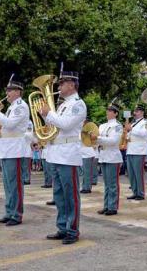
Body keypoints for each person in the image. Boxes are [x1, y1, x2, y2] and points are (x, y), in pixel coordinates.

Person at [40, 69, 86, 245]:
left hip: (68, 154)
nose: (58, 86)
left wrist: (48, 114)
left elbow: (66, 125)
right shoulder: (62, 105)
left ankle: (72, 229)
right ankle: (62, 227)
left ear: (72, 84)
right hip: (56, 153)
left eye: (62, 83)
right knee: (59, 194)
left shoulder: (78, 104)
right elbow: (53, 126)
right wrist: (45, 116)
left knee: (70, 194)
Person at [0, 75, 30, 226]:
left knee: (15, 184)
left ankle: (16, 214)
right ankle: (9, 211)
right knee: (7, 184)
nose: (8, 93)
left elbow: (10, 125)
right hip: (6, 147)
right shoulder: (12, 107)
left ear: (18, 91)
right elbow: (3, 126)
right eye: (7, 90)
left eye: (10, 90)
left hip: (15, 148)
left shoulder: (21, 106)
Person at [94, 100, 123, 215]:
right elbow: (98, 140)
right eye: (108, 110)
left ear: (116, 113)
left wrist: (98, 139)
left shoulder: (117, 126)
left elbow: (113, 141)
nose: (108, 112)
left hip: (113, 156)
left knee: (112, 184)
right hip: (103, 155)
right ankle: (106, 205)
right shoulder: (102, 126)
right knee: (106, 184)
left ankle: (113, 206)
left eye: (111, 111)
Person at [125, 104, 147, 200]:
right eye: (135, 111)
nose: (135, 113)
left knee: (138, 173)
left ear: (142, 112)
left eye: (137, 111)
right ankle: (135, 192)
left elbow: (144, 134)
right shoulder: (133, 123)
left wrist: (131, 129)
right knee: (131, 173)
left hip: (139, 150)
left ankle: (141, 193)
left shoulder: (145, 122)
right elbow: (129, 135)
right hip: (131, 149)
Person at [79, 120, 96, 194]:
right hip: (82, 153)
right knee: (84, 172)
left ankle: (87, 188)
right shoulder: (79, 130)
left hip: (88, 153)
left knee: (87, 172)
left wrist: (87, 131)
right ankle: (84, 187)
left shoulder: (89, 127)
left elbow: (94, 136)